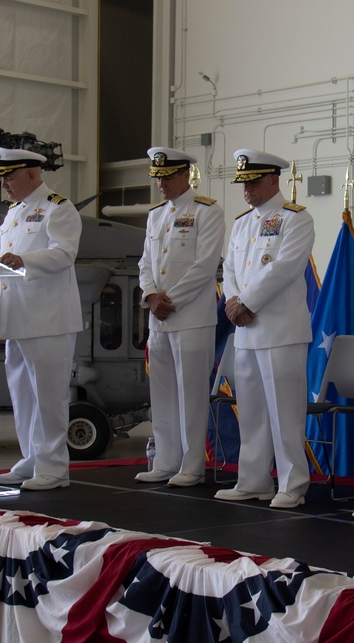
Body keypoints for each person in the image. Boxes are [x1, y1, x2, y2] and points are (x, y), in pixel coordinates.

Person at [216, 148, 314, 509]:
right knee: (253, 411)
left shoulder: (296, 219)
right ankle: (253, 479)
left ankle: (293, 484)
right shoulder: (242, 223)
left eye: (253, 182)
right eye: (243, 183)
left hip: (280, 331)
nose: (247, 189)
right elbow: (230, 271)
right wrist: (232, 299)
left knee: (285, 413)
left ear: (274, 179)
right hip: (245, 331)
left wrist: (246, 302)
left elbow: (285, 268)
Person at [0, 146, 83, 491]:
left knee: (48, 394)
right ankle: (30, 459)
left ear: (31, 174)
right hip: (16, 318)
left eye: (8, 177)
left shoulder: (58, 208)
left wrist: (23, 260)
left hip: (48, 319)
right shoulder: (14, 212)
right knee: (22, 394)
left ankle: (53, 467)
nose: (4, 186)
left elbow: (64, 253)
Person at [135, 147, 225, 487]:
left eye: (168, 176)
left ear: (185, 175)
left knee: (190, 394)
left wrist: (168, 300)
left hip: (190, 317)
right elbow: (145, 263)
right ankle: (165, 460)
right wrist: (150, 295)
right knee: (162, 394)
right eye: (157, 177)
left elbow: (205, 267)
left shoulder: (208, 211)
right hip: (158, 319)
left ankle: (191, 464)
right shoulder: (156, 215)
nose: (161, 183)